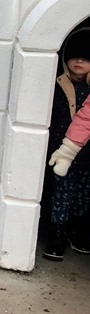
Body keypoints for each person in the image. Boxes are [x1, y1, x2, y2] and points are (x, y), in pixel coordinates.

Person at [43, 28, 90, 260]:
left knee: (83, 194)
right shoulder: (57, 83)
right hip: (60, 149)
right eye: (74, 56)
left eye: (86, 58)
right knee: (61, 192)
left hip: (86, 155)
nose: (79, 61)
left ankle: (75, 229)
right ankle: (56, 232)